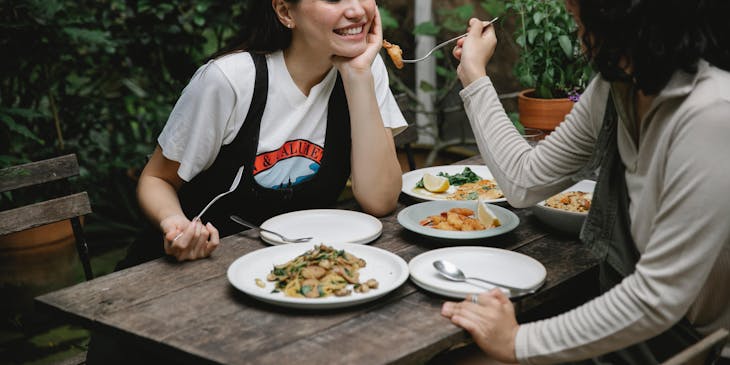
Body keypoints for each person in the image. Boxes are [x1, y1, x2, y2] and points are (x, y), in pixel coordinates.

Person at [440, 0, 730, 363]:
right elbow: (524, 180)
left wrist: (517, 341)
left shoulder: (713, 113)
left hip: (698, 350)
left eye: (579, 17)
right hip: (639, 337)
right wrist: (474, 75)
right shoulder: (619, 86)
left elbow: (657, 298)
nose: (575, 29)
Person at [120, 0, 407, 266]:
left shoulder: (364, 68)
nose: (357, 10)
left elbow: (380, 200)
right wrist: (175, 224)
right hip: (195, 267)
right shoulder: (230, 80)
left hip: (297, 265)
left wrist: (358, 76)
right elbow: (156, 178)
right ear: (285, 12)